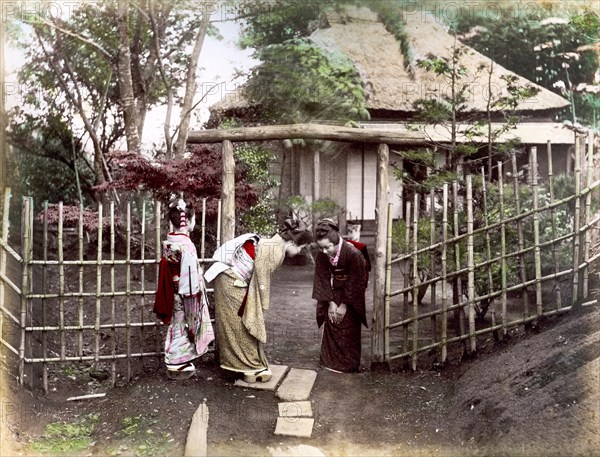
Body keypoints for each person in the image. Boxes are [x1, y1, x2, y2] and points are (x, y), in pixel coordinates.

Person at [204, 220, 312, 383]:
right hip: (230, 279)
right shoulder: (275, 249)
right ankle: (248, 367)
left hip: (232, 277)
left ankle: (250, 365)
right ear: (291, 241)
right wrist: (261, 303)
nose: (299, 252)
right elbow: (261, 279)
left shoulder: (274, 244)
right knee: (239, 323)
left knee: (240, 322)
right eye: (300, 247)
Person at [153, 198, 214, 379]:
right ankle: (175, 361)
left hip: (174, 290)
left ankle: (175, 359)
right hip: (184, 291)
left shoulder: (171, 240)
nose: (194, 222)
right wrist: (195, 294)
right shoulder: (187, 245)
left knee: (177, 324)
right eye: (193, 219)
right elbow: (190, 275)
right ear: (186, 221)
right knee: (182, 325)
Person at [312, 218, 368, 373]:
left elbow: (357, 281)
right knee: (331, 319)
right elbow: (322, 277)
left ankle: (348, 365)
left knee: (348, 324)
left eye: (327, 247)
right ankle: (330, 362)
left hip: (351, 295)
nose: (324, 251)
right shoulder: (322, 255)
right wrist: (330, 302)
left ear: (335, 241)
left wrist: (344, 304)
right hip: (333, 292)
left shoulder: (353, 254)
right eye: (321, 248)